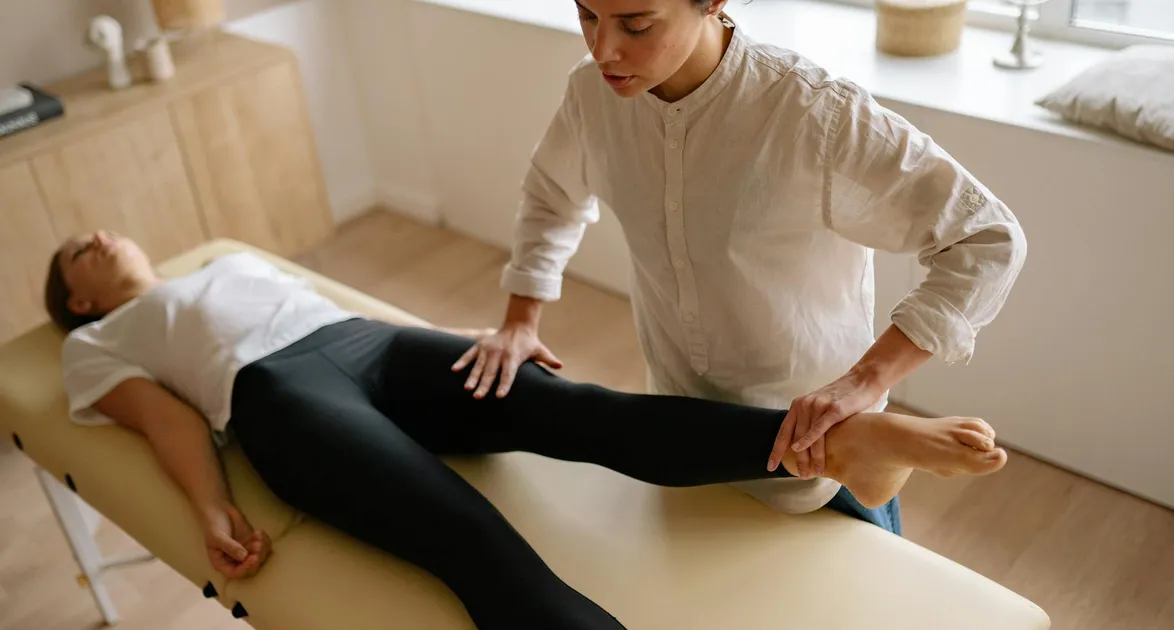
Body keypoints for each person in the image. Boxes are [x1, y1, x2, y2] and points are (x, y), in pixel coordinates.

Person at [47, 230, 1006, 629]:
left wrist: (479, 336)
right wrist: (211, 507)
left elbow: (330, 308)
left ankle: (836, 441)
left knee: (587, 412)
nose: (101, 236)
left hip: (380, 346)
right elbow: (167, 420)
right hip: (284, 401)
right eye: (80, 251)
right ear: (80, 300)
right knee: (470, 542)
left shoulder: (227, 261)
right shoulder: (99, 345)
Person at [455, 0, 1027, 533]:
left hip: (823, 447)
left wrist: (866, 378)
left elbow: (987, 237)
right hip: (679, 425)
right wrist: (519, 321)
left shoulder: (814, 114)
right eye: (585, 14)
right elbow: (552, 194)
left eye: (635, 24)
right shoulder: (591, 92)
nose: (603, 48)